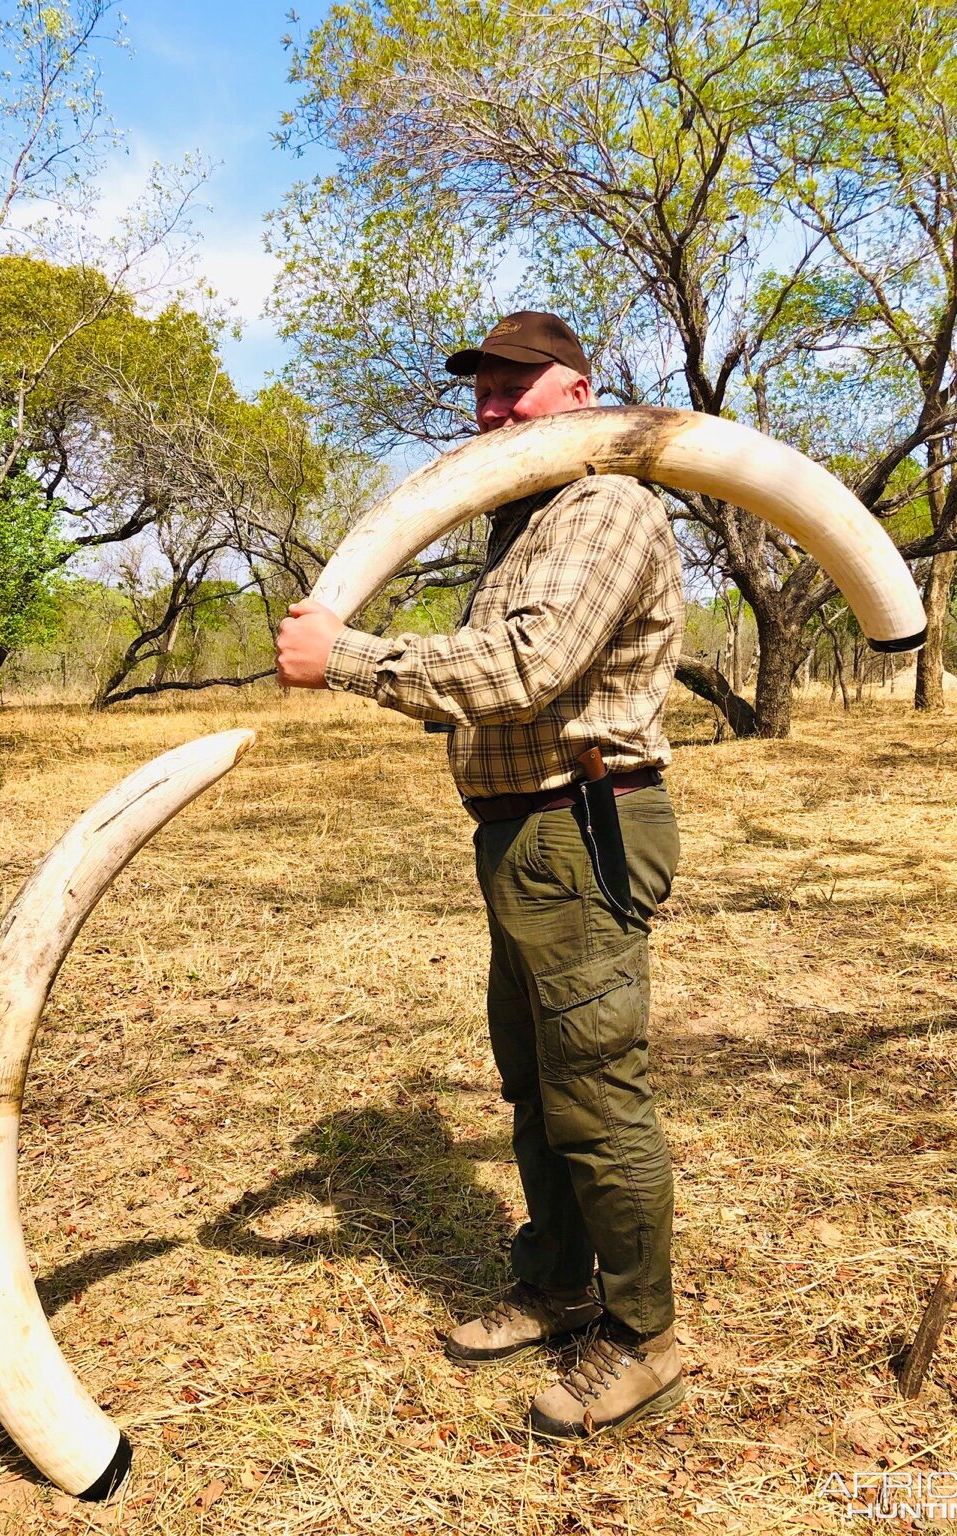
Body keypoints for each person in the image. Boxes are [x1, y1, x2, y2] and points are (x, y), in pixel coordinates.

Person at [275, 311, 685, 1440]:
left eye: (518, 383)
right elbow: (499, 682)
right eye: (482, 387)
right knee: (536, 1084)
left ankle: (642, 1338)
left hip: (579, 827)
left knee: (596, 1097)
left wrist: (349, 657)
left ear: (580, 391)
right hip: (520, 832)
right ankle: (557, 1283)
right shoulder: (528, 522)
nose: (492, 406)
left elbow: (526, 666)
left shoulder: (604, 506)